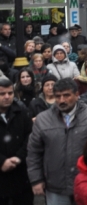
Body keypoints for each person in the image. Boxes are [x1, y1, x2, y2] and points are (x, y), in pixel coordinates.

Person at [27, 78, 87, 205]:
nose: (61, 100)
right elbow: (34, 152)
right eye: (57, 96)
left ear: (77, 95)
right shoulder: (43, 119)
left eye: (66, 95)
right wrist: (36, 180)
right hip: (55, 185)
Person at [0, 77, 33, 205]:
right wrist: (2, 161)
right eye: (2, 94)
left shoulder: (21, 111)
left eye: (10, 93)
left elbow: (30, 137)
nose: (7, 97)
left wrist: (18, 158)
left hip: (20, 175)